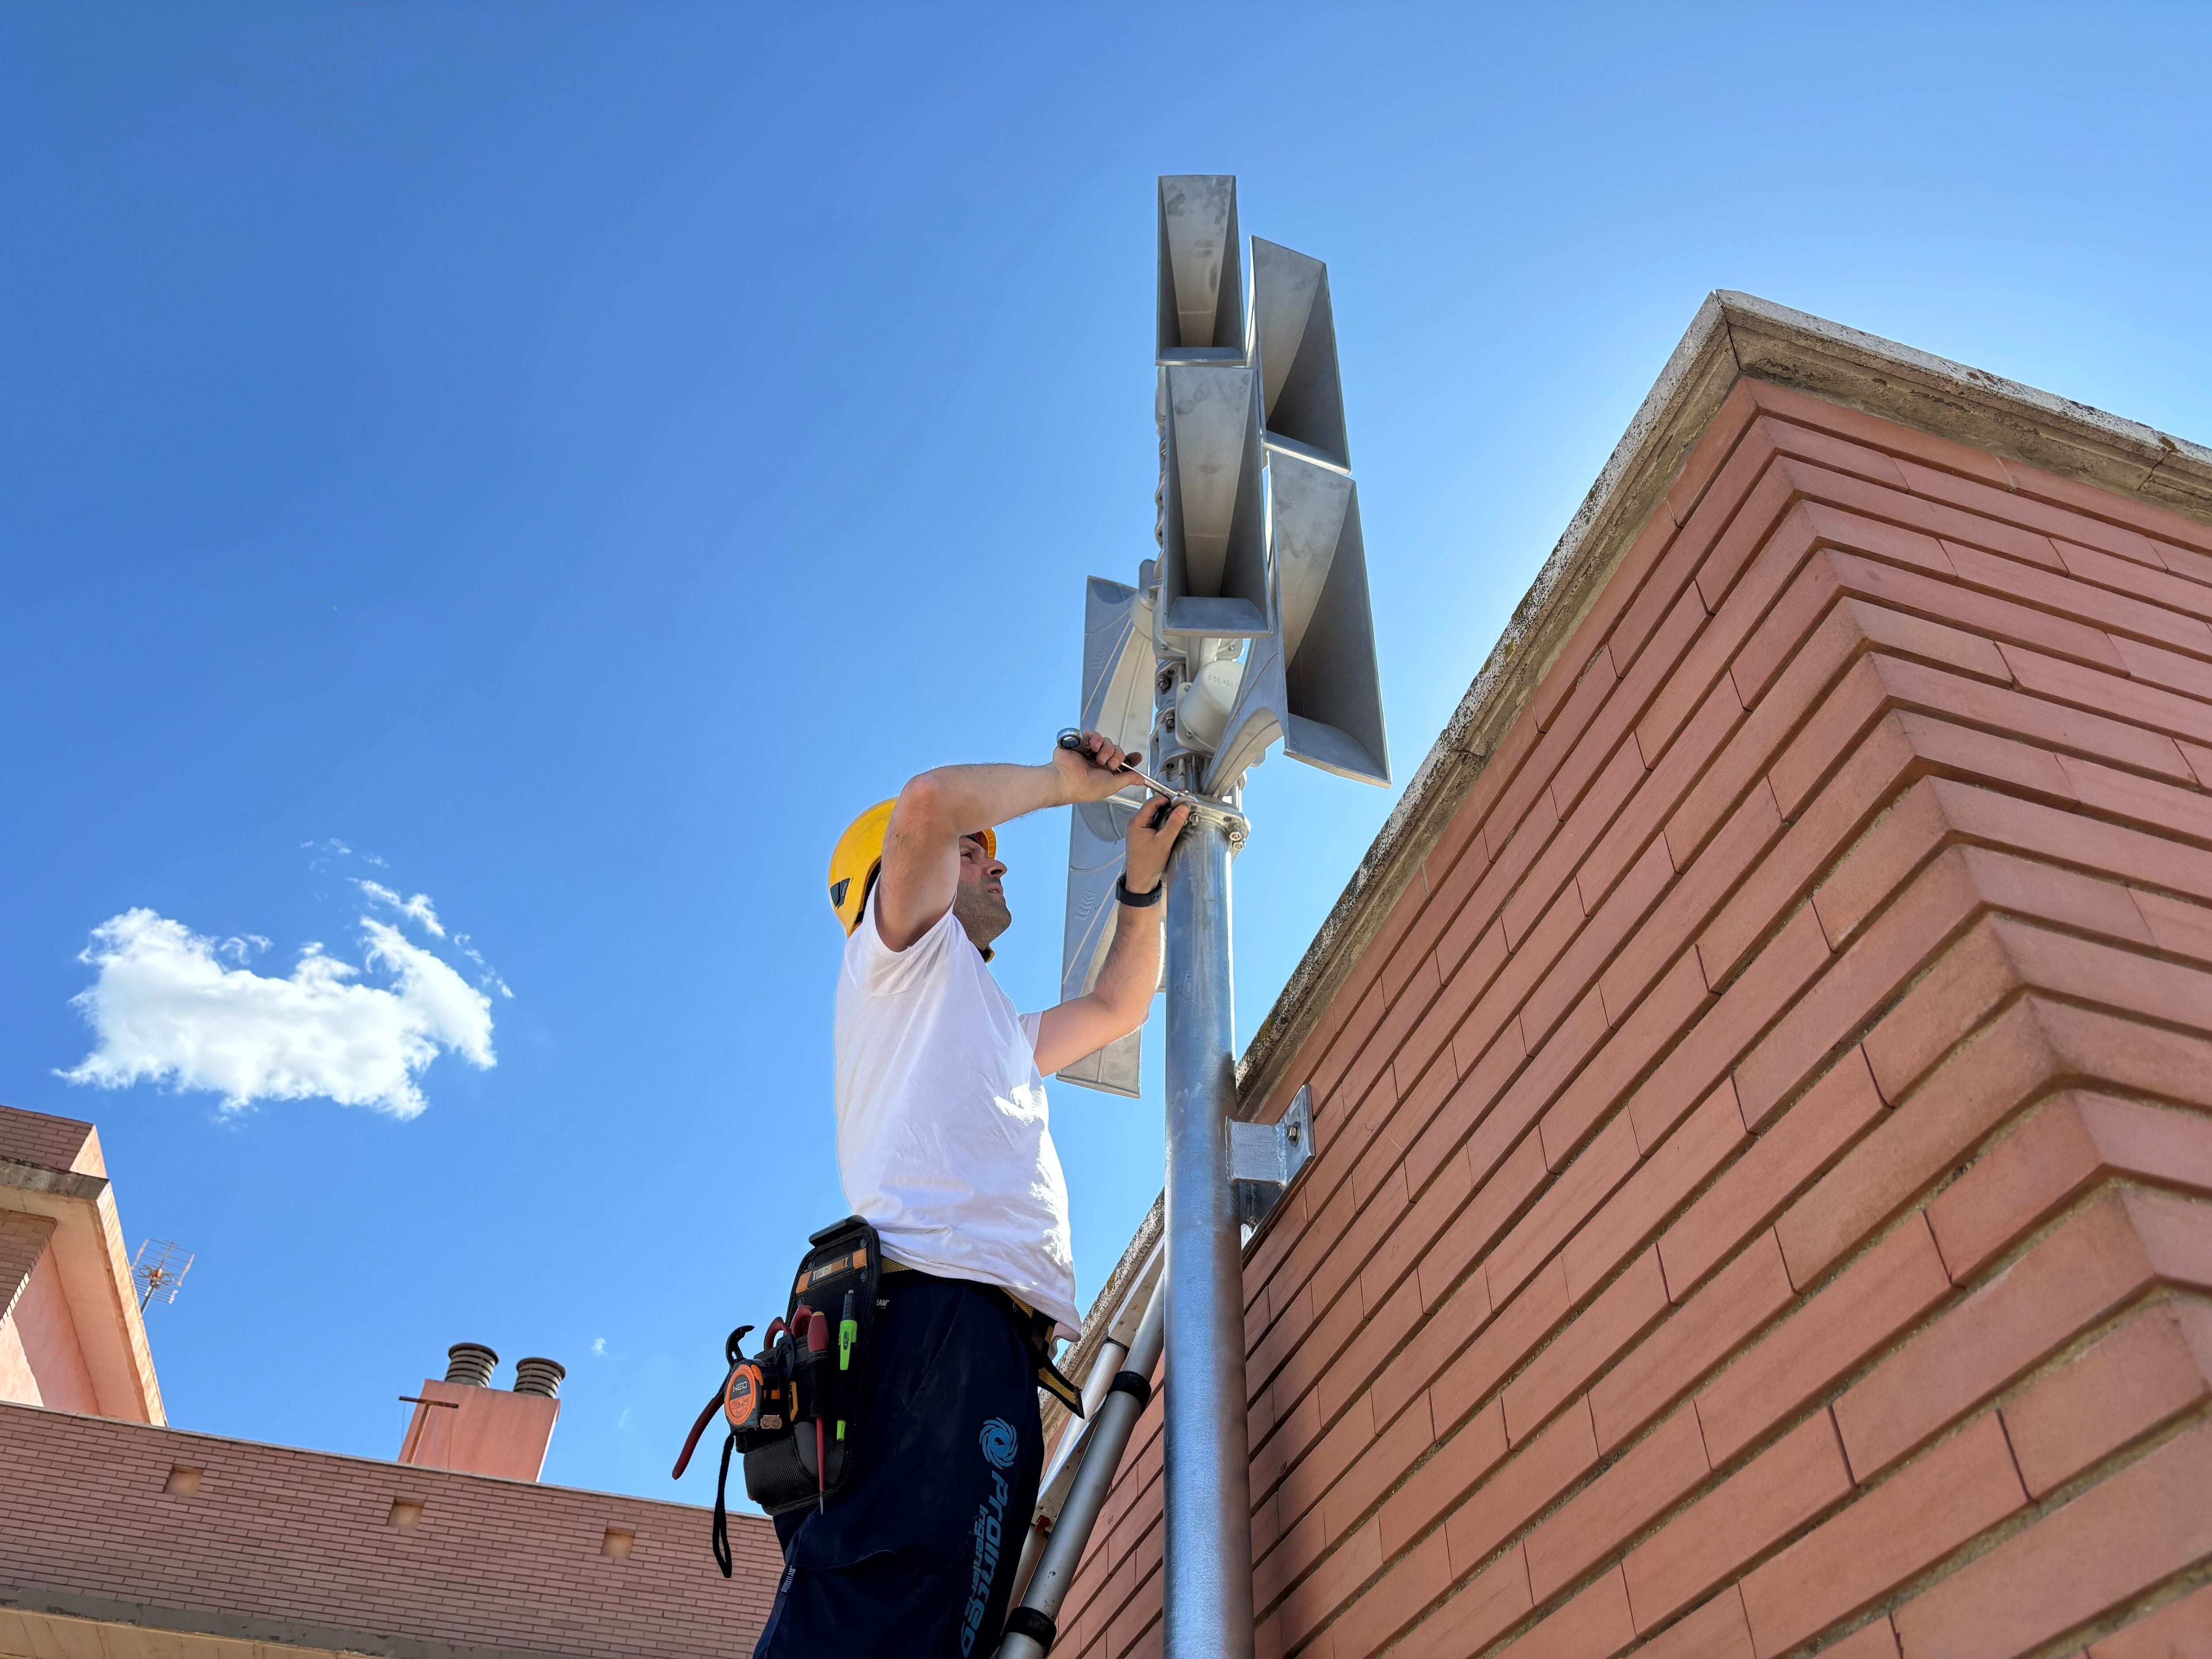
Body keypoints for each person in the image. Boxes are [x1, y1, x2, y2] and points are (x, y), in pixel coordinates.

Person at [751, 730, 1190, 1659]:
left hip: (978, 1345)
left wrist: (1141, 885)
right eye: (974, 850)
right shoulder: (896, 960)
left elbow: (1117, 1009)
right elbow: (927, 803)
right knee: (876, 1616)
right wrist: (1063, 784)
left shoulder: (991, 1024)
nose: (996, 861)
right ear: (899, 877)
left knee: (934, 1625)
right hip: (931, 1328)